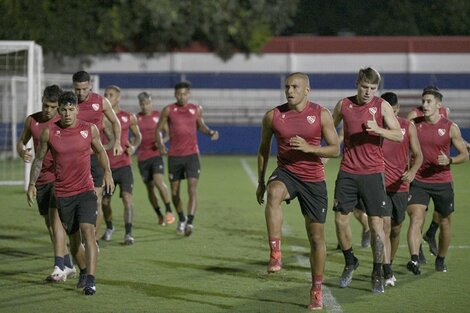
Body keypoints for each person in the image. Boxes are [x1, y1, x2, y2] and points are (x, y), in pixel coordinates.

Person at [256, 72, 339, 310]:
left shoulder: (320, 114)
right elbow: (263, 149)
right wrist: (261, 181)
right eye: (287, 87)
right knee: (273, 193)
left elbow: (335, 150)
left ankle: (316, 288)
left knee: (316, 239)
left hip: (313, 181)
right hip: (287, 173)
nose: (290, 91)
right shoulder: (273, 115)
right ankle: (275, 254)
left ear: (307, 90)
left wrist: (310, 148)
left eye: (295, 87)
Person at [26, 91, 114, 295]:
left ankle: (91, 281)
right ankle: (83, 271)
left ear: (77, 109)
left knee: (88, 232)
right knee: (74, 243)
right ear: (60, 110)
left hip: (85, 191)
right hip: (63, 195)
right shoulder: (50, 132)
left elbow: (100, 151)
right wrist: (32, 184)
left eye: (70, 109)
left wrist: (107, 173)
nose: (66, 114)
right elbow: (39, 159)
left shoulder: (88, 129)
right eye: (63, 110)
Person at [332, 67, 403, 293]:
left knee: (376, 225)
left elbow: (399, 135)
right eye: (365, 87)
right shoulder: (343, 105)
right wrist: (321, 150)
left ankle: (377, 272)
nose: (368, 92)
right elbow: (329, 130)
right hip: (348, 172)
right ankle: (350, 260)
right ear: (357, 83)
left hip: (373, 173)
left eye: (373, 88)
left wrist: (379, 129)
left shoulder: (382, 106)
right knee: (340, 220)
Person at [16, 85, 77, 282]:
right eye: (45, 105)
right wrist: (21, 151)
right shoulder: (32, 121)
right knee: (50, 225)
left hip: (59, 179)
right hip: (41, 179)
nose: (48, 110)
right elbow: (21, 141)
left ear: (58, 106)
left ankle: (59, 266)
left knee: (56, 222)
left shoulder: (64, 123)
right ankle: (69, 264)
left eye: (52, 106)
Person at [406, 86, 468, 275]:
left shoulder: (450, 127)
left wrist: (450, 160)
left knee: (445, 222)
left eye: (428, 102)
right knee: (416, 217)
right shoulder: (414, 124)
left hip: (442, 182)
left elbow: (464, 154)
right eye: (423, 101)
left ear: (438, 105)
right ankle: (415, 259)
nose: (424, 105)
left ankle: (440, 259)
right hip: (419, 180)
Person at [155, 81, 219, 236]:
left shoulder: (196, 109)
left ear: (189, 94)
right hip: (175, 157)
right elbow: (158, 130)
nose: (181, 97)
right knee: (175, 193)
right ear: (175, 95)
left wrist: (210, 132)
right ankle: (182, 218)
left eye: (184, 94)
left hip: (192, 155)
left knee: (192, 189)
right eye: (179, 94)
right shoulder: (168, 110)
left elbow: (201, 126)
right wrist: (161, 145)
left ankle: (190, 222)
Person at [72, 71, 122, 244]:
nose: (80, 93)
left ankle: (91, 240)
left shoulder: (100, 101)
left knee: (96, 200)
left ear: (90, 86)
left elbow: (115, 122)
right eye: (77, 89)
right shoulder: (69, 104)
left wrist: (116, 143)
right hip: (74, 161)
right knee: (75, 201)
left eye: (84, 89)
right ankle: (78, 237)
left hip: (94, 159)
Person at [380, 92, 423, 287]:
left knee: (396, 229)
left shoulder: (407, 127)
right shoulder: (375, 127)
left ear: (396, 109)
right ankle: (386, 269)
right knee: (384, 226)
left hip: (400, 186)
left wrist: (413, 171)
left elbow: (418, 155)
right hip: (378, 185)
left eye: (391, 110)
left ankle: (387, 262)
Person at [100, 85, 141, 245]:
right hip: (106, 167)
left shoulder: (128, 116)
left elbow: (138, 136)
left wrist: (134, 146)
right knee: (104, 202)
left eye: (110, 95)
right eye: (105, 94)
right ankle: (110, 227)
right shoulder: (100, 117)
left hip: (124, 165)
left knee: (127, 198)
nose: (107, 97)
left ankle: (128, 233)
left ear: (118, 98)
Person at [136, 92, 174, 226]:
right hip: (142, 158)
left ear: (151, 103)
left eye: (147, 103)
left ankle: (169, 210)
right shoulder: (136, 118)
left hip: (156, 155)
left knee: (158, 181)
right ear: (139, 105)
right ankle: (159, 214)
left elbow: (169, 134)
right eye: (142, 104)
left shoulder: (158, 116)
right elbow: (135, 137)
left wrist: (161, 142)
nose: (145, 106)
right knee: (150, 188)